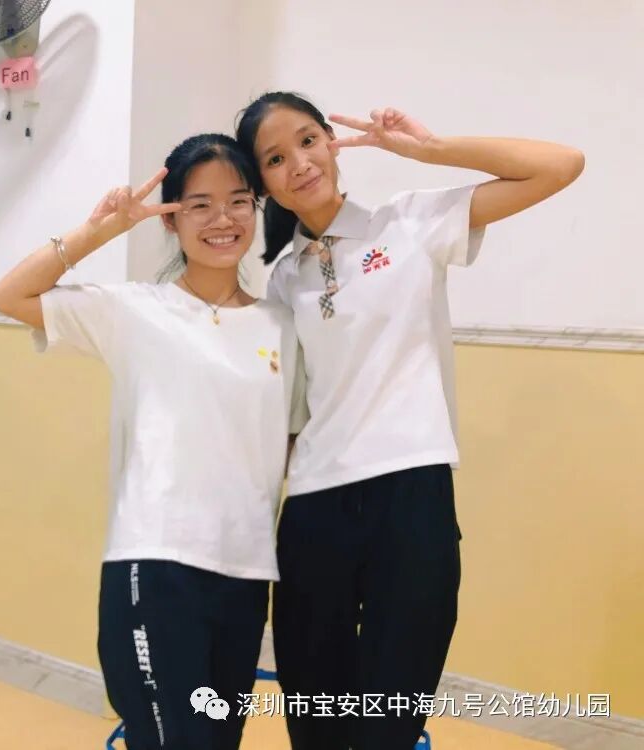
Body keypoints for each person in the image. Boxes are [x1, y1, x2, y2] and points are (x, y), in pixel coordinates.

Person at [235, 92, 584, 750]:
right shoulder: (283, 282)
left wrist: (431, 150)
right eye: (275, 159)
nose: (299, 164)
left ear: (332, 142)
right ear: (262, 184)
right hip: (313, 508)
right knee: (316, 722)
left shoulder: (413, 223)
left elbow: (561, 165)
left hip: (411, 495)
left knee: (389, 721)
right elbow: (288, 416)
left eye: (308, 141)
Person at [0, 133, 307, 750]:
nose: (222, 219)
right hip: (157, 563)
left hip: (246, 572)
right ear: (170, 218)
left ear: (256, 208)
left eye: (238, 201)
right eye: (199, 205)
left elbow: (289, 446)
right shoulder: (134, 310)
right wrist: (103, 229)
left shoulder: (282, 326)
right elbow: (10, 295)